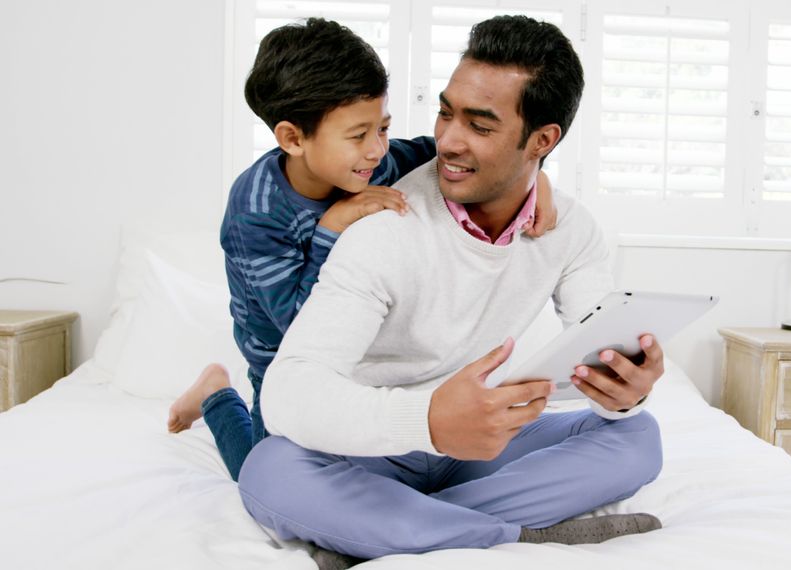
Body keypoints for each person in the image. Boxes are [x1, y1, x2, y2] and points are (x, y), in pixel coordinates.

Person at [237, 15, 665, 563]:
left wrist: (628, 388)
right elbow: (288, 394)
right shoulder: (384, 225)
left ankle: (386, 524)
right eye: (445, 112)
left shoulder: (570, 230)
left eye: (480, 126)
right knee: (270, 470)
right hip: (372, 445)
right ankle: (512, 535)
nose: (447, 141)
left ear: (543, 140)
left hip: (483, 441)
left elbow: (601, 339)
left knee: (637, 437)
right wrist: (429, 421)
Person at [165, 17, 557, 482]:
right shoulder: (256, 213)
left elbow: (468, 158)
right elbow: (298, 327)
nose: (377, 150)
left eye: (383, 127)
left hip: (362, 363)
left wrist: (537, 176)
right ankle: (216, 394)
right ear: (293, 138)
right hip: (281, 363)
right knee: (258, 473)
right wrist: (331, 228)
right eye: (358, 135)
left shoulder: (380, 162)